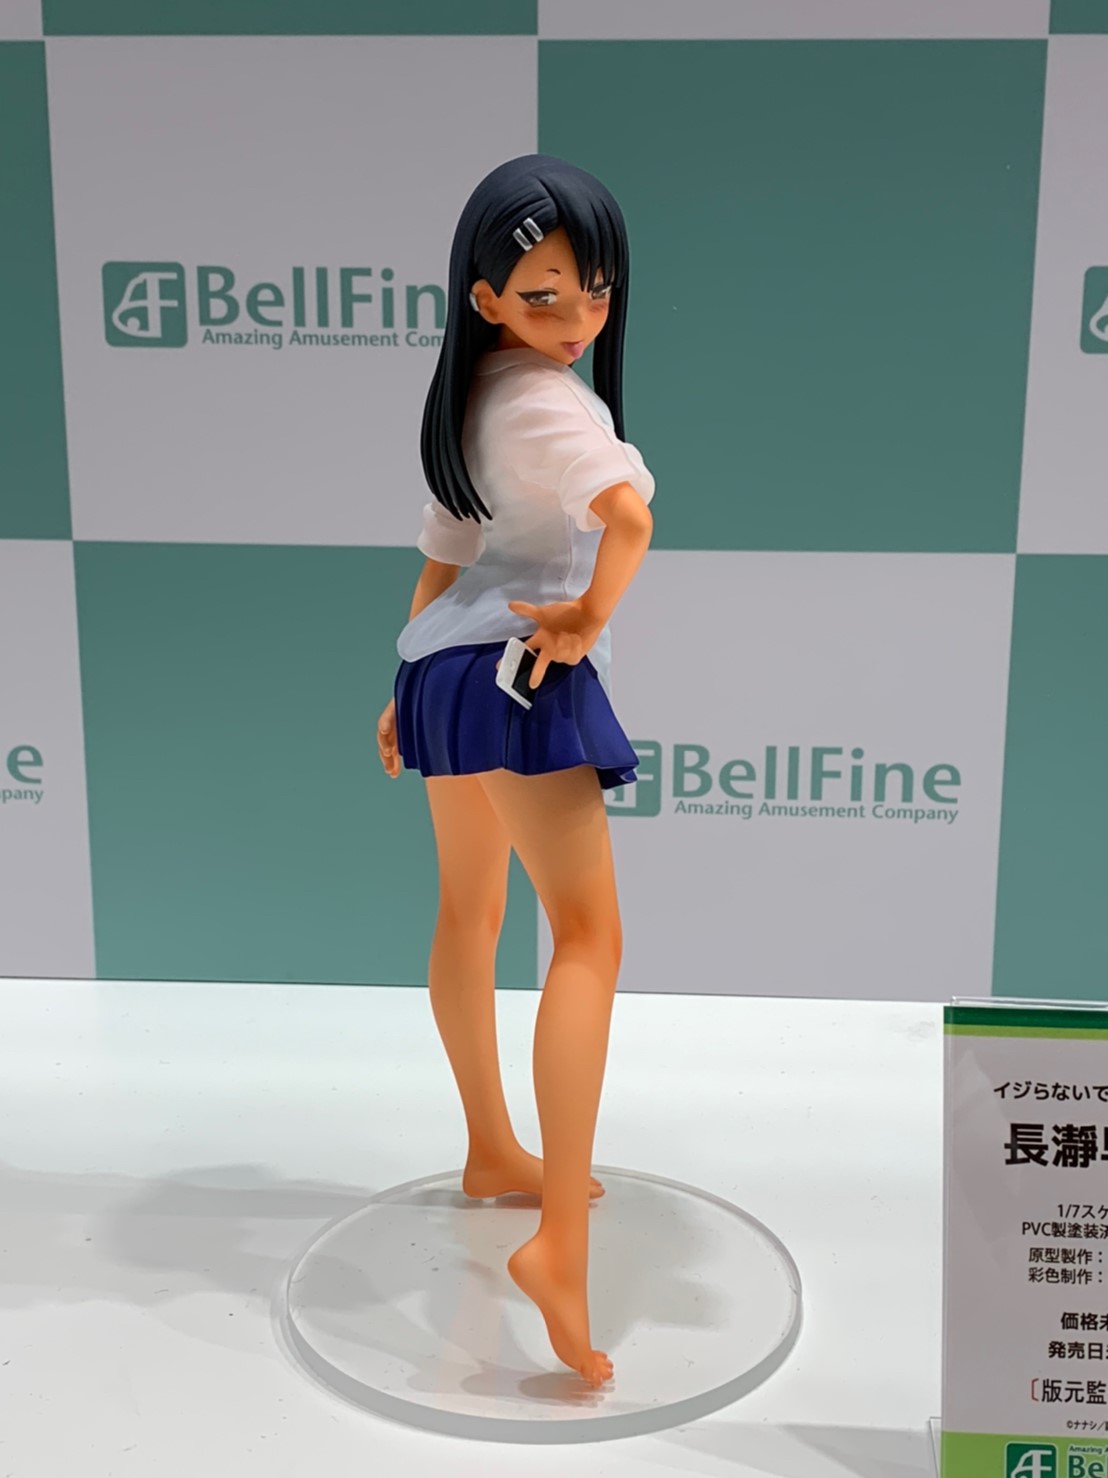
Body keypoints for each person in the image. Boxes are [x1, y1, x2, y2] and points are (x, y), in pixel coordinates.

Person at [375, 155, 654, 1388]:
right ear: (486, 296)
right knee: (587, 936)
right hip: (516, 672)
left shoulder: (470, 391)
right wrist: (588, 615)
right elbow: (631, 517)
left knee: (468, 910)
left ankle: (493, 1146)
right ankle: (560, 1246)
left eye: (593, 289)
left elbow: (444, 555)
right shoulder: (553, 405)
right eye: (544, 294)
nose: (577, 315)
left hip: (444, 669)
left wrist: (401, 686)